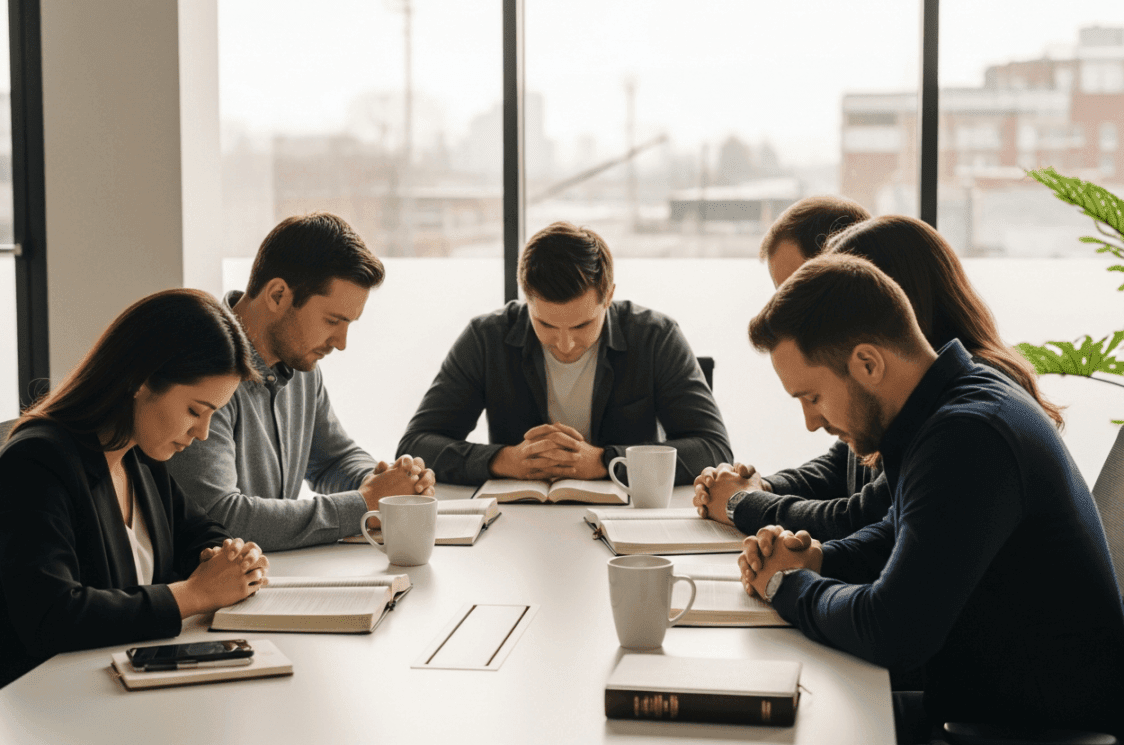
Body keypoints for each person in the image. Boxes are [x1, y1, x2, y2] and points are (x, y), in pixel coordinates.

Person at [738, 254, 1124, 740]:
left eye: (812, 397)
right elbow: (903, 532)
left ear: (867, 363)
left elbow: (893, 631)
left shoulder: (968, 435)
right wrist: (817, 558)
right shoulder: (954, 405)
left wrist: (788, 587)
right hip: (983, 703)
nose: (811, 422)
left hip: (1020, 730)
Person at [0, 289, 270, 703]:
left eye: (213, 415)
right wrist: (197, 594)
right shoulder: (35, 463)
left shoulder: (140, 456)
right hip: (42, 706)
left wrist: (229, 557)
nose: (202, 433)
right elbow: (52, 615)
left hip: (114, 687)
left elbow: (195, 531)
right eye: (194, 411)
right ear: (141, 382)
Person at [694, 213, 1064, 540]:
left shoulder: (964, 408)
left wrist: (743, 503)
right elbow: (844, 466)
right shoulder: (906, 391)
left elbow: (864, 518)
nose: (795, 310)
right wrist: (763, 486)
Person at [169, 213, 435, 552]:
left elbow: (331, 459)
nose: (341, 343)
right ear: (278, 295)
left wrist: (383, 483)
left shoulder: (301, 366)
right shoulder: (205, 369)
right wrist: (364, 503)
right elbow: (220, 516)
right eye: (332, 320)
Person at [397, 221, 732, 486]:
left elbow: (714, 450)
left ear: (609, 296)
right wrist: (505, 460)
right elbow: (414, 446)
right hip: (519, 527)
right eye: (545, 325)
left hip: (628, 526)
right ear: (526, 299)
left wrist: (605, 462)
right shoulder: (486, 338)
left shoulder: (656, 337)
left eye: (583, 326)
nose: (565, 344)